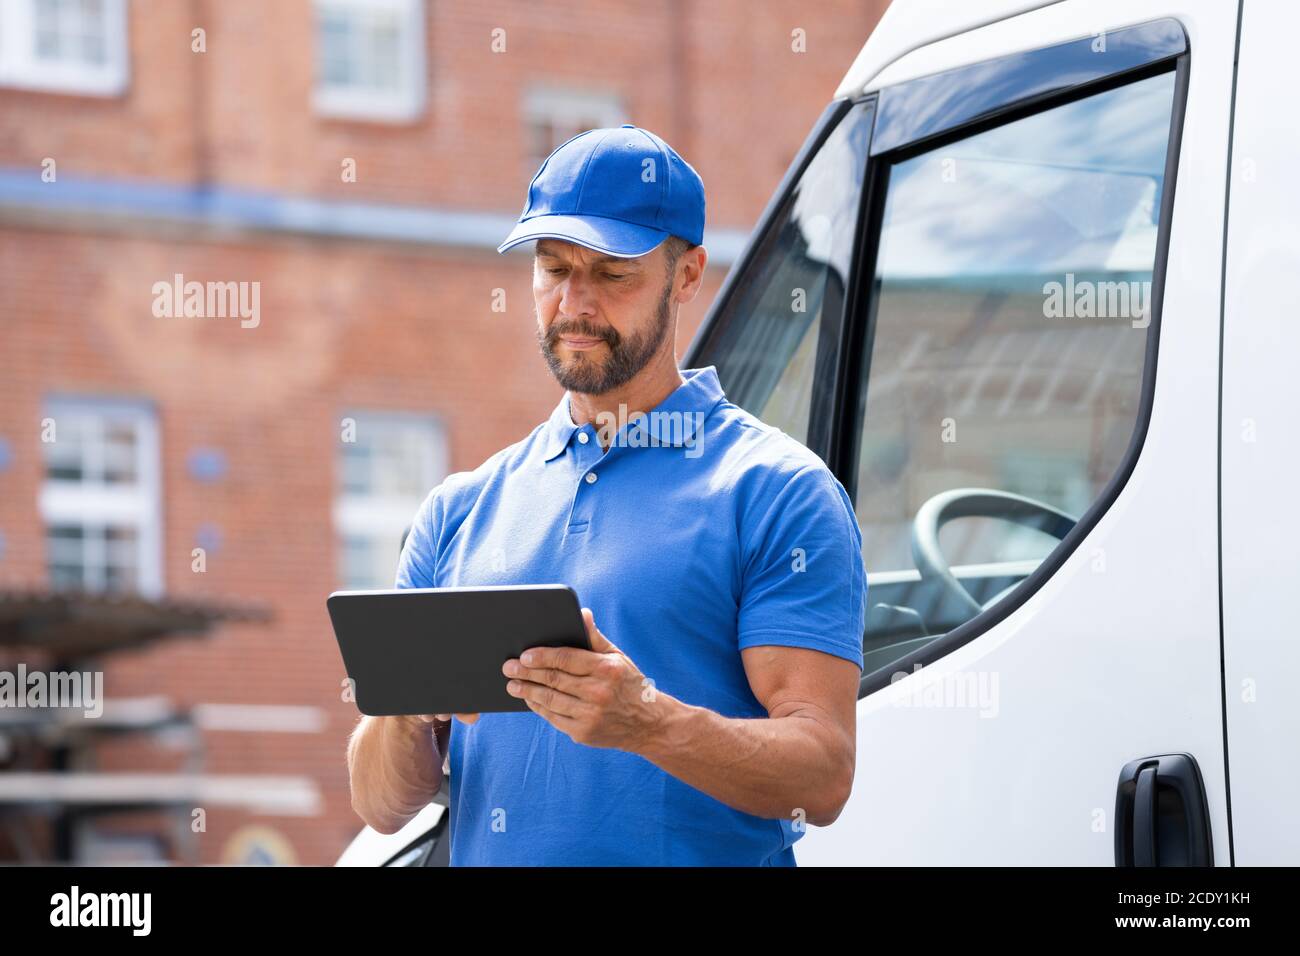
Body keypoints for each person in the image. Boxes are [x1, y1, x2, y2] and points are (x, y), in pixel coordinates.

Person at [347, 124, 867, 865]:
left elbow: (824, 776)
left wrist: (645, 721)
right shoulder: (459, 510)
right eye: (553, 269)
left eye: (612, 273)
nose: (575, 303)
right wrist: (407, 717)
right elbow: (378, 803)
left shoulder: (777, 492)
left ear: (687, 275)